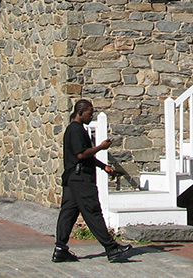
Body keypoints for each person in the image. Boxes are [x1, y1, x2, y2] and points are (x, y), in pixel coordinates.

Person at [52, 99, 132, 263]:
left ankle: (60, 249)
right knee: (92, 211)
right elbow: (81, 154)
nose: (91, 116)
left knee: (68, 213)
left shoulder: (77, 129)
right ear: (80, 113)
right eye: (89, 113)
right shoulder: (75, 130)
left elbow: (84, 156)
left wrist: (103, 166)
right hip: (80, 179)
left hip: (72, 178)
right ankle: (112, 249)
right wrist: (101, 147)